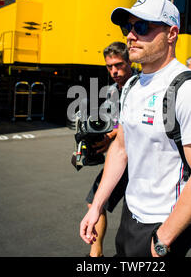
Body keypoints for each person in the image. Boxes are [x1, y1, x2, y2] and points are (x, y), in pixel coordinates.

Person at [80, 0, 191, 257]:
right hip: (131, 213)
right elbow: (120, 150)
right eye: (127, 28)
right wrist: (96, 206)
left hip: (165, 221)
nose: (131, 36)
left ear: (171, 34)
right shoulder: (132, 85)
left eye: (142, 27)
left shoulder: (189, 88)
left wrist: (163, 239)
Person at [85, 41, 133, 257]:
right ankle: (96, 257)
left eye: (119, 65)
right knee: (94, 202)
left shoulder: (141, 86)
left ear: (129, 61)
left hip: (141, 160)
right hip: (120, 159)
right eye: (109, 66)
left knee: (137, 218)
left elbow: (132, 124)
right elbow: (111, 121)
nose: (114, 71)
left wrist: (112, 135)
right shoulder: (113, 91)